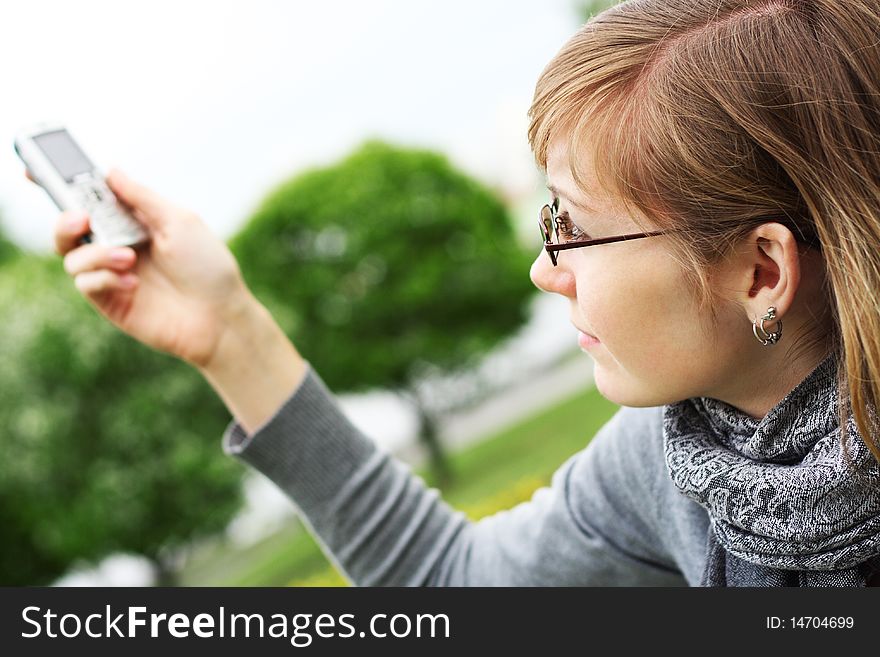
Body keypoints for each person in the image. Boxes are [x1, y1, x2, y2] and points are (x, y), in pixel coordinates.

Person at [38, 0, 880, 586]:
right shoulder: (691, 461)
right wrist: (228, 332)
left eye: (577, 229)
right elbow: (452, 584)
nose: (546, 270)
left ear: (762, 272)